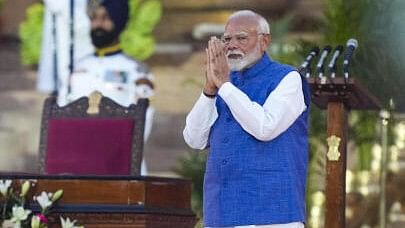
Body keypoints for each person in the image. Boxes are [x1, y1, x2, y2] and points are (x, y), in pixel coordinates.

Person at [183, 10, 310, 228]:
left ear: (264, 41)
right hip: (221, 212)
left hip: (271, 213)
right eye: (227, 39)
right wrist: (209, 91)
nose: (232, 45)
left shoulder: (288, 78)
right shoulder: (224, 83)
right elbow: (194, 139)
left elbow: (265, 127)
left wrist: (224, 86)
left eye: (241, 38)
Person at [59, 0, 154, 175]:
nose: (98, 24)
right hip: (78, 163)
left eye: (105, 18)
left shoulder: (135, 70)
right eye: (94, 18)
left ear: (118, 21)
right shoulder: (75, 69)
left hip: (120, 165)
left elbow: (144, 118)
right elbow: (61, 115)